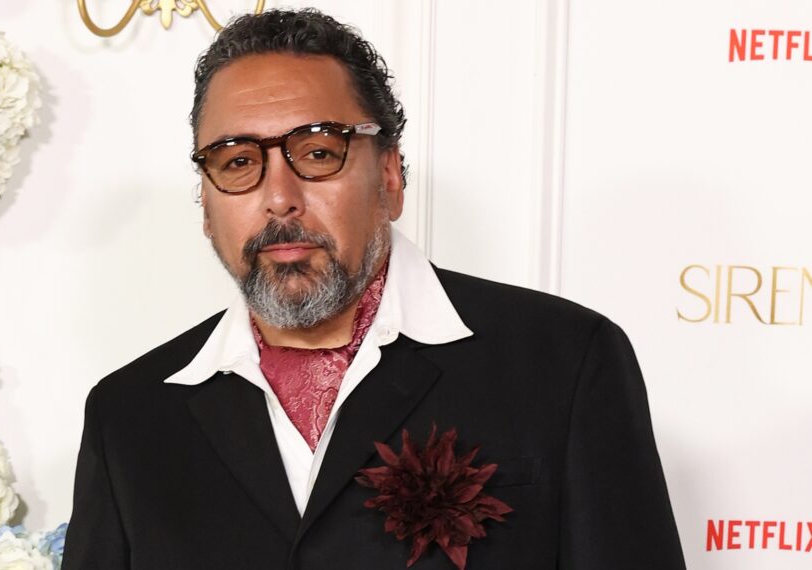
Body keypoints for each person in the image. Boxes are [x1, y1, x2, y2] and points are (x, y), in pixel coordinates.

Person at [62, 8, 686, 570]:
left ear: (389, 176)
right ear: (205, 205)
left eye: (317, 152)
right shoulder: (130, 415)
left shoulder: (565, 363)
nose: (279, 197)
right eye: (238, 162)